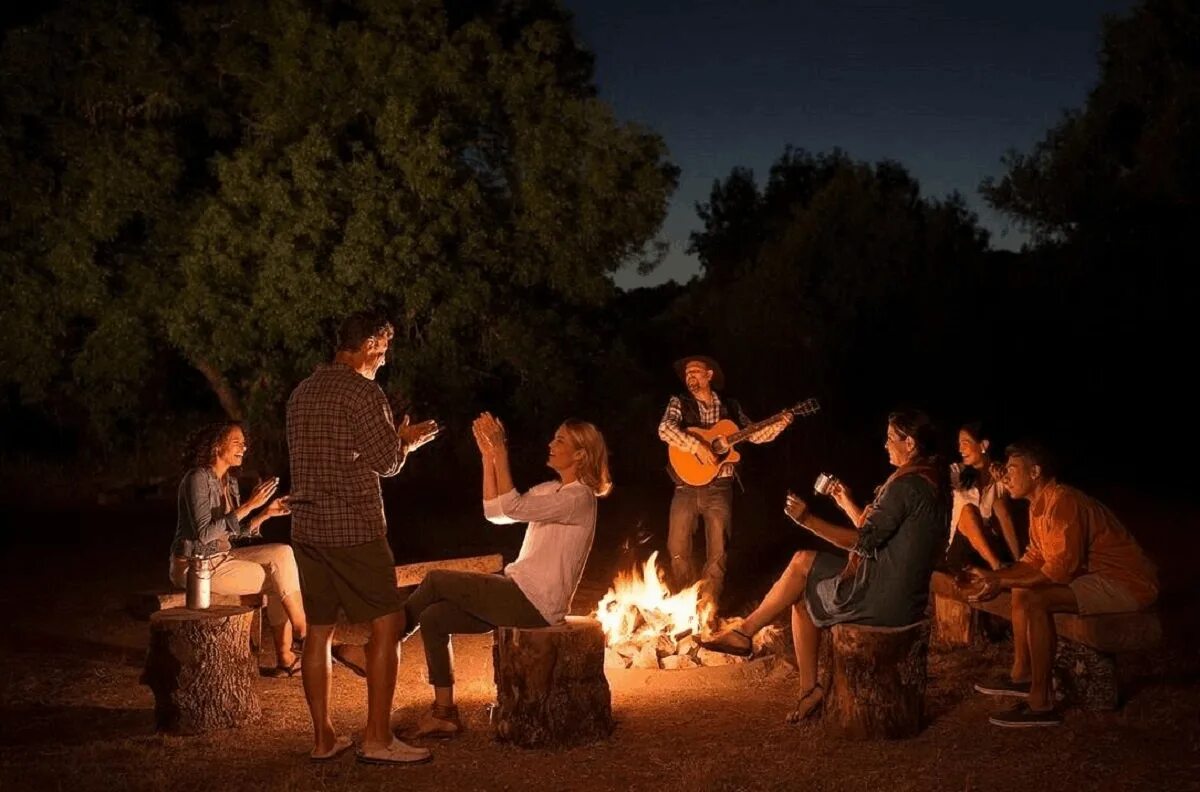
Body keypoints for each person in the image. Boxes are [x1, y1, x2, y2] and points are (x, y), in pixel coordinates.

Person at [700, 409, 950, 723]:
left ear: (910, 443)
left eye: (890, 439)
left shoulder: (905, 487)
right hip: (906, 594)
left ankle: (749, 635)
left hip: (886, 597)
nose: (885, 445)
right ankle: (802, 686)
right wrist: (845, 500)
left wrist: (808, 520)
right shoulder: (930, 480)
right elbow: (878, 533)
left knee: (802, 568)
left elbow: (863, 542)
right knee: (802, 578)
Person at [286, 311, 439, 764]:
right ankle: (377, 738)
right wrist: (405, 441)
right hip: (353, 526)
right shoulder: (363, 391)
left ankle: (323, 739)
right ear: (370, 343)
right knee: (388, 623)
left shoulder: (302, 391)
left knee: (318, 631)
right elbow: (386, 462)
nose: (385, 358)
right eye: (383, 349)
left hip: (308, 528)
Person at [399, 412, 611, 739]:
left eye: (560, 440)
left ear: (581, 454)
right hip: (516, 593)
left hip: (532, 603)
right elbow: (496, 512)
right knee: (434, 618)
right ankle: (444, 714)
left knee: (437, 580)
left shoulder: (578, 498)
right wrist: (488, 457)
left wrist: (501, 452)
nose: (550, 444)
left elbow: (510, 506)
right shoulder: (552, 490)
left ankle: (382, 646)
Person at [965, 440, 1159, 727]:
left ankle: (1041, 704)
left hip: (1127, 583)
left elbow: (1058, 570)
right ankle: (1023, 676)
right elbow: (1033, 559)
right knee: (1022, 588)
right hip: (1099, 579)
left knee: (1037, 598)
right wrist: (995, 577)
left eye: (1013, 469)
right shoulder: (1039, 505)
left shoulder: (1064, 502)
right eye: (1005, 469)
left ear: (1035, 472)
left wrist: (1001, 580)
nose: (1006, 476)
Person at [169, 421, 306, 677]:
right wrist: (250, 505)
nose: (243, 447)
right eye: (236, 442)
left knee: (283, 555)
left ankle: (298, 639)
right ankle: (298, 644)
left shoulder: (228, 482)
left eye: (244, 442)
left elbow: (232, 533)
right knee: (281, 577)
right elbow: (204, 533)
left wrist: (265, 514)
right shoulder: (197, 478)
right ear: (217, 445)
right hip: (196, 567)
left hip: (221, 557)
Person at [657, 354, 791, 606]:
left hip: (720, 487)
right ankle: (684, 603)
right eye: (687, 374)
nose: (690, 377)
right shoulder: (679, 402)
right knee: (677, 546)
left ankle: (708, 606)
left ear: (709, 376)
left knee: (717, 551)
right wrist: (696, 446)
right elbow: (665, 429)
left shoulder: (730, 407)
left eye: (695, 371)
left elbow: (756, 435)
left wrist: (780, 423)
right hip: (684, 486)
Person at [944, 421, 1021, 572]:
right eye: (959, 444)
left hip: (991, 545)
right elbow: (933, 476)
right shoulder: (956, 473)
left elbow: (1009, 513)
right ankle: (996, 565)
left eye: (965, 443)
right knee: (968, 510)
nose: (960, 449)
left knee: (999, 505)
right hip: (963, 548)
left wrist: (1003, 479)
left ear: (983, 445)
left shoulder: (1000, 478)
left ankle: (1019, 562)